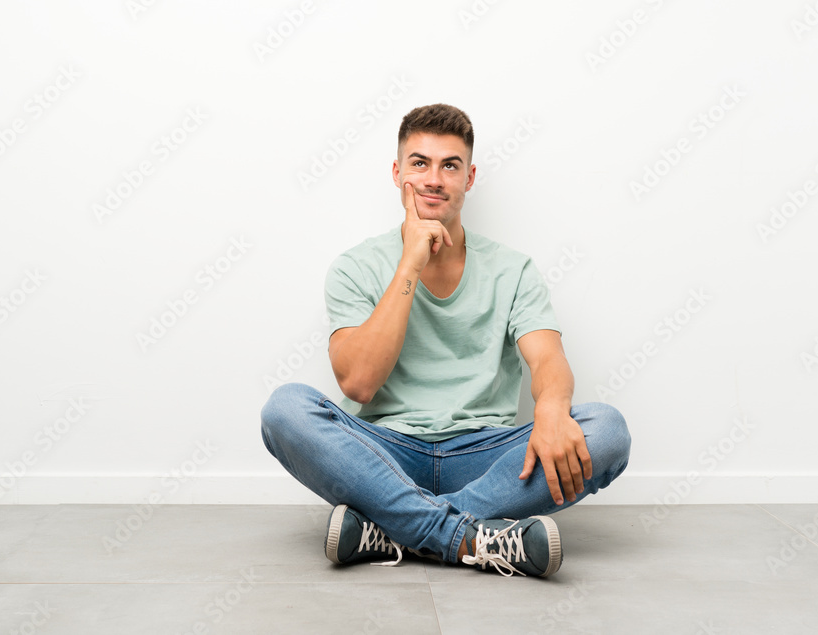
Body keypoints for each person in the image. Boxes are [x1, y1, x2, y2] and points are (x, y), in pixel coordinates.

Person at [261, 104, 631, 577]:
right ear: (397, 173)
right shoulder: (356, 266)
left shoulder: (511, 269)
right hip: (384, 454)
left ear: (469, 177)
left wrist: (553, 409)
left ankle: (392, 529)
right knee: (286, 409)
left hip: (484, 457)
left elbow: (548, 359)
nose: (434, 178)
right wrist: (411, 261)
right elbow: (358, 384)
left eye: (449, 165)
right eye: (419, 163)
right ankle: (473, 538)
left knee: (607, 429)